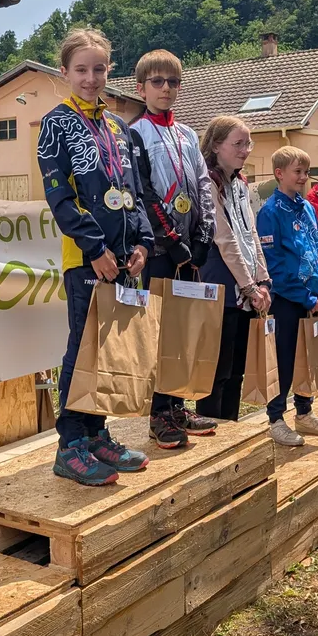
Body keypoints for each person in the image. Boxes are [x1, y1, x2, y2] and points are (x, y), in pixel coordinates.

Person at [38, 28, 153, 486]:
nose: (91, 78)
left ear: (109, 71)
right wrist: (95, 249)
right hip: (87, 259)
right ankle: (70, 444)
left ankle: (96, 433)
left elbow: (135, 192)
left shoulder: (119, 128)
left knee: (108, 351)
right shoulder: (55, 123)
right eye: (81, 69)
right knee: (82, 348)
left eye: (99, 69)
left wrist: (142, 243)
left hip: (124, 259)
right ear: (64, 72)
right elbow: (60, 197)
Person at [131, 48, 220, 448]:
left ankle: (178, 405)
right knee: (160, 331)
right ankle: (158, 414)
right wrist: (171, 240)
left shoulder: (186, 134)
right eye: (157, 82)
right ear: (141, 88)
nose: (165, 89)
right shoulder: (135, 133)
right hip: (160, 250)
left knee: (184, 329)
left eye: (173, 82)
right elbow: (143, 193)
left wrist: (203, 236)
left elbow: (203, 183)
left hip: (190, 249)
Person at [257, 146, 318, 445]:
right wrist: (305, 296)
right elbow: (274, 265)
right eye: (298, 172)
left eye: (306, 172)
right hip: (288, 299)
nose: (304, 177)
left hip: (313, 297)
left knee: (309, 356)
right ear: (279, 174)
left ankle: (304, 412)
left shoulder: (307, 208)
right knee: (285, 359)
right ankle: (276, 418)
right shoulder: (270, 212)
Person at [197, 116, 272, 422]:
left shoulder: (240, 183)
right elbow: (225, 239)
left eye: (248, 143)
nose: (246, 150)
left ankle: (230, 425)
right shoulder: (207, 182)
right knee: (218, 369)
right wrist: (249, 286)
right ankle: (212, 429)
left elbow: (250, 233)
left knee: (237, 370)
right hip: (222, 285)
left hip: (246, 285)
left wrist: (263, 279)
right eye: (238, 144)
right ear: (216, 146)